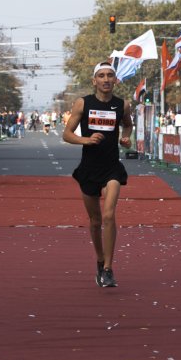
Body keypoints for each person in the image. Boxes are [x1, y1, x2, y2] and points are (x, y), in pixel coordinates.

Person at [63, 61, 133, 288]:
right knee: (94, 221)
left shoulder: (122, 105)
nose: (106, 79)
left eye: (110, 75)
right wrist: (86, 140)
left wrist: (125, 137)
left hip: (112, 167)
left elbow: (128, 125)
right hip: (89, 168)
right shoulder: (83, 103)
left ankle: (108, 269)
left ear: (115, 80)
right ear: (94, 80)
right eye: (101, 76)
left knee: (109, 215)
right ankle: (100, 260)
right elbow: (67, 134)